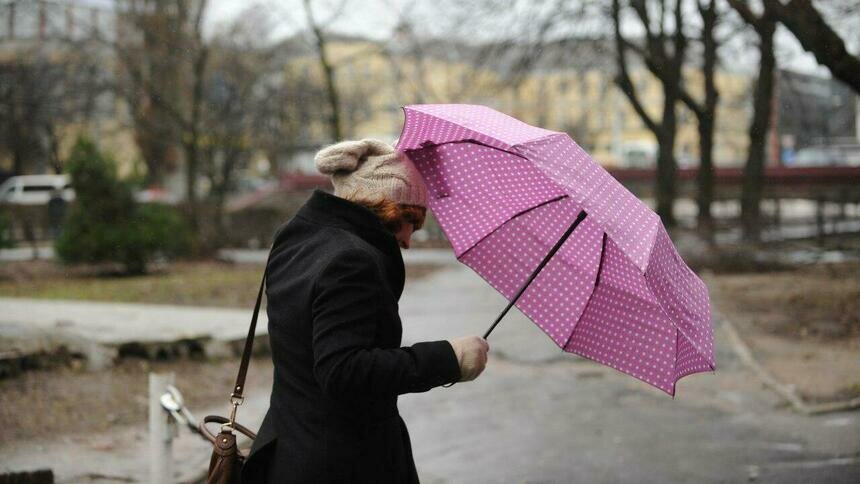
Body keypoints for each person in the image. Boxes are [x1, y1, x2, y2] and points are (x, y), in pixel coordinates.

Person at [243, 139, 490, 483]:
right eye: (411, 222)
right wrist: (450, 357)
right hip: (343, 464)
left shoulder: (295, 239)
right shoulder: (352, 261)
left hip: (290, 450)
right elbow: (343, 371)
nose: (408, 240)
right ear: (389, 209)